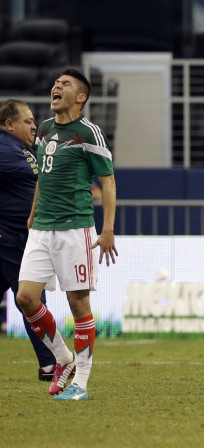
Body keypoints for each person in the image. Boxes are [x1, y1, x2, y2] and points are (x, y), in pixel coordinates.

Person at [14, 68, 118, 402]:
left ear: (81, 97)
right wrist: (32, 213)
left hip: (76, 229)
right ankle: (63, 359)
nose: (57, 87)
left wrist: (108, 229)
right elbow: (42, 177)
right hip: (42, 228)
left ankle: (81, 383)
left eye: (66, 84)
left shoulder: (90, 133)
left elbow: (108, 182)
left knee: (79, 303)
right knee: (25, 298)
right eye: (56, 83)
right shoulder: (44, 129)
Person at [0, 99, 58, 380]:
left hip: (20, 240)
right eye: (27, 121)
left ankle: (50, 363)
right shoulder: (3, 148)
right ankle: (50, 364)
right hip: (11, 241)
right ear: (9, 124)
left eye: (34, 121)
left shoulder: (23, 149)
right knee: (32, 301)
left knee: (31, 301)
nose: (34, 125)